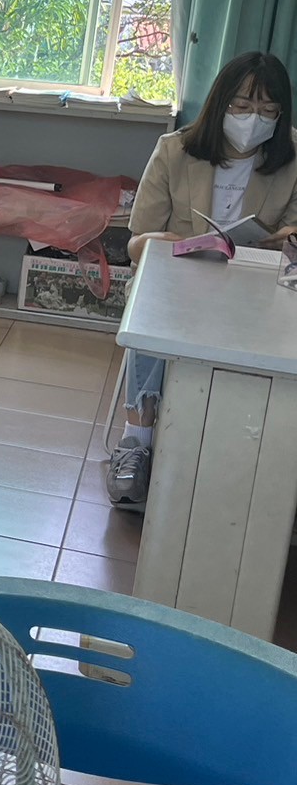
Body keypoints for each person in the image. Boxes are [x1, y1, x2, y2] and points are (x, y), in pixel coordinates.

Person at [112, 50, 297, 506]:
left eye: (268, 111)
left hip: (256, 287)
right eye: (242, 106)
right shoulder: (175, 150)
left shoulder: (292, 157)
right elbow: (135, 245)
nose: (253, 120)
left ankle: (253, 454)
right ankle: (136, 441)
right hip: (179, 280)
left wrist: (283, 240)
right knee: (153, 320)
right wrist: (169, 241)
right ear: (219, 105)